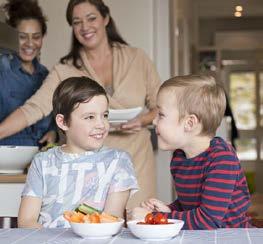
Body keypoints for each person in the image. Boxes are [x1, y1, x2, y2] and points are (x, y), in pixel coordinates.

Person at [0, 0, 160, 208]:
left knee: (138, 225)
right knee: (91, 227)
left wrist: (143, 120)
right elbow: (33, 108)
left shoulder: (137, 58)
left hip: (137, 159)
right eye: (77, 22)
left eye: (91, 18)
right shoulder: (65, 70)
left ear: (106, 18)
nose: (85, 27)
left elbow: (161, 105)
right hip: (89, 170)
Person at [131, 75, 251, 229]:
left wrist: (153, 217)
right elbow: (192, 204)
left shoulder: (222, 159)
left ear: (189, 123)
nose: (154, 121)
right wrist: (171, 209)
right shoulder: (179, 158)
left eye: (161, 115)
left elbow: (207, 220)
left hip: (234, 236)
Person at [18, 76, 138, 228]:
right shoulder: (42, 162)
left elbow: (111, 220)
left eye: (105, 115)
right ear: (63, 122)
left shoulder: (118, 161)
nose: (101, 124)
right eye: (90, 117)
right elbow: (26, 221)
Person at [0, 0, 56, 147]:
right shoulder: (2, 69)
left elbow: (52, 118)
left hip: (38, 160)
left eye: (36, 37)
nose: (30, 44)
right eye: (22, 36)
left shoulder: (47, 76)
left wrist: (53, 133)